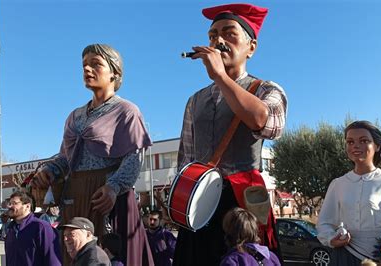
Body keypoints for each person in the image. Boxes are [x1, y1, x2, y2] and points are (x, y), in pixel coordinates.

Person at [173, 3, 287, 265]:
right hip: (199, 203)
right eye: (213, 36)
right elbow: (186, 158)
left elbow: (268, 124)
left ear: (251, 47)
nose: (219, 41)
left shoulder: (266, 89)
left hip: (243, 204)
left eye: (229, 33)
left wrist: (221, 77)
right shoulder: (195, 100)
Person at [30, 43, 154, 265]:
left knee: (106, 254)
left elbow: (134, 156)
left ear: (114, 73)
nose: (87, 69)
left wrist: (113, 187)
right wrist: (49, 171)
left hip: (105, 197)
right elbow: (65, 159)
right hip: (74, 194)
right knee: (74, 254)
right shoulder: (74, 116)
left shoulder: (126, 111)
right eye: (84, 65)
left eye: (96, 64)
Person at [317, 120, 381, 265]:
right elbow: (324, 223)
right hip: (344, 257)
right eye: (350, 142)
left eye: (364, 140)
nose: (355, 146)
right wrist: (331, 239)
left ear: (377, 146)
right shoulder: (338, 185)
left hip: (379, 260)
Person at [4, 191, 62, 266]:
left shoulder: (41, 228)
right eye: (9, 203)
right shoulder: (11, 230)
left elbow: (53, 260)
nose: (10, 206)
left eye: (14, 203)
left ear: (27, 206)